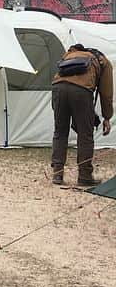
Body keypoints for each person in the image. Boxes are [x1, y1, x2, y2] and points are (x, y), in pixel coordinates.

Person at [50, 43, 112, 187]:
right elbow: (106, 94)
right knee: (85, 134)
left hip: (57, 88)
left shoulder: (69, 55)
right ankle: (84, 175)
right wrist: (107, 117)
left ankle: (57, 174)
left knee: (60, 131)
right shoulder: (103, 61)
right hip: (81, 92)